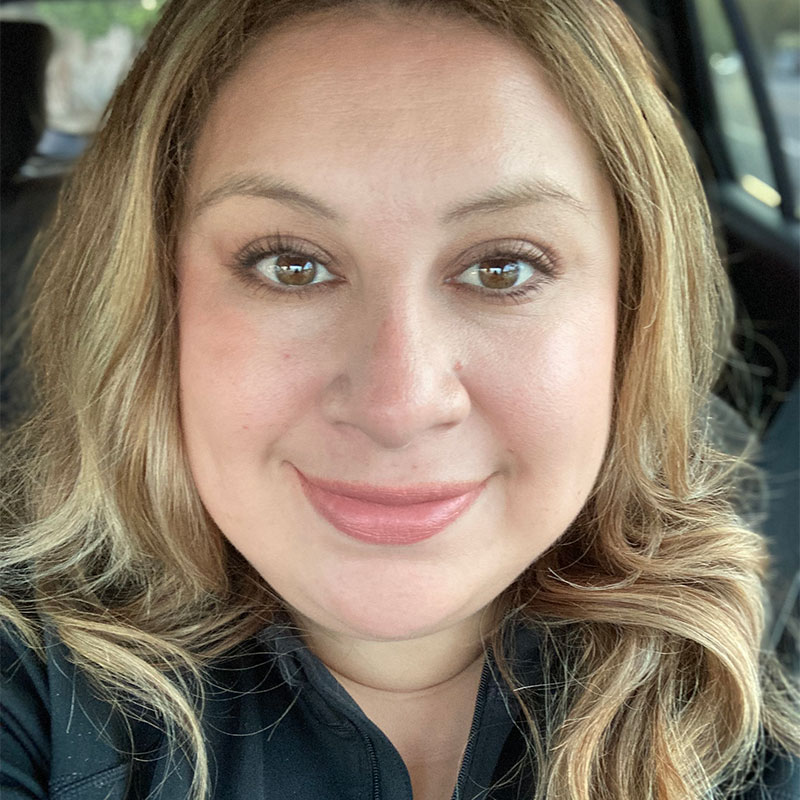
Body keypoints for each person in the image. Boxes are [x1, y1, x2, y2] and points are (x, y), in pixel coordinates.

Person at [1, 0, 798, 798]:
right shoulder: (28, 684)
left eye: (503, 268)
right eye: (290, 265)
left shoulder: (746, 739)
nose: (398, 403)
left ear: (632, 315)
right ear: (154, 300)